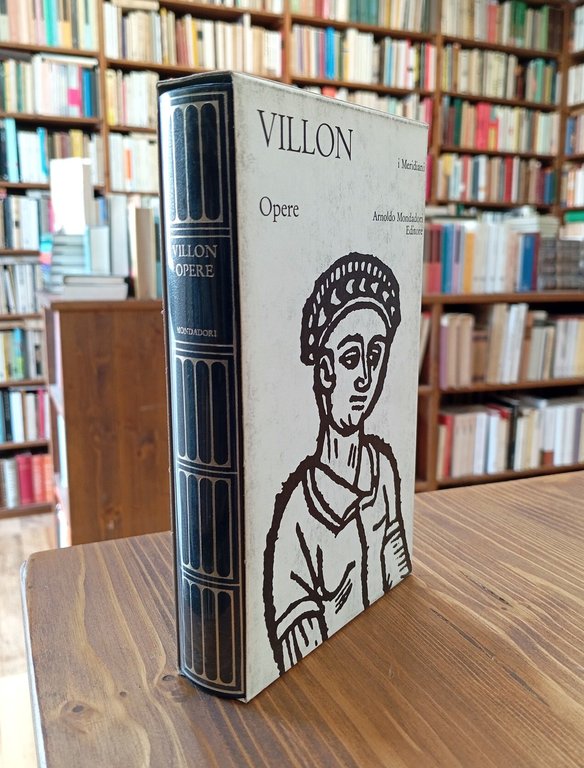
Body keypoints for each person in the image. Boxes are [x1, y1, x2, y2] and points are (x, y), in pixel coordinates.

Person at [264, 252, 412, 675]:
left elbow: (398, 574)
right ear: (326, 370)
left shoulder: (384, 470)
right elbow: (300, 663)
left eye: (375, 355)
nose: (365, 376)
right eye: (351, 358)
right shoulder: (297, 519)